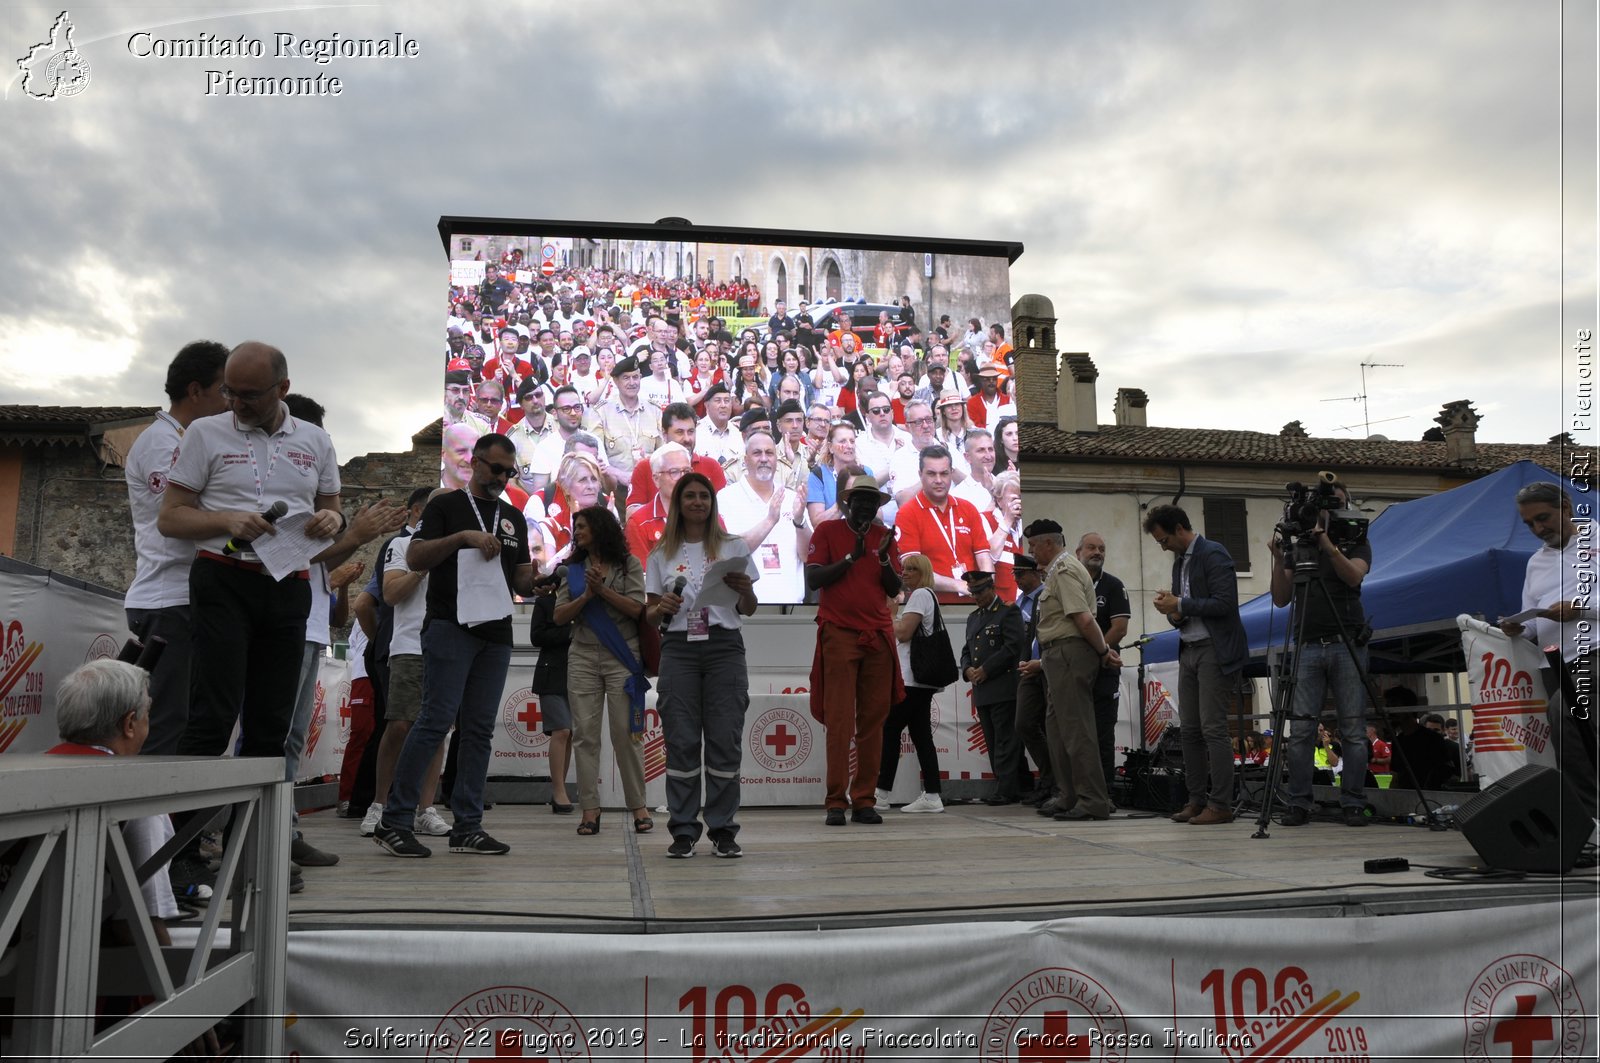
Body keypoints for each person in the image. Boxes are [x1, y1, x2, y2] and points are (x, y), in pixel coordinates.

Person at [159, 342, 383, 890]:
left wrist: (332, 522)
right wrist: (228, 519)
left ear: (282, 389)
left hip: (287, 584)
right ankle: (181, 855)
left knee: (270, 727)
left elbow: (332, 507)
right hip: (221, 581)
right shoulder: (206, 433)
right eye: (231, 391)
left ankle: (255, 855)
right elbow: (170, 518)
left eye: (250, 394)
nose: (236, 402)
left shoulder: (316, 440)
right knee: (211, 718)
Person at [374, 434, 536, 858]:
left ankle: (468, 826)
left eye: (508, 471)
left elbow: (519, 580)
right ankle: (394, 819)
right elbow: (416, 558)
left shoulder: (514, 517)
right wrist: (462, 537)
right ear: (475, 464)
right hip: (451, 625)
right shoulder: (445, 506)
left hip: (497, 631)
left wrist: (541, 578)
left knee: (479, 729)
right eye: (495, 468)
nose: (501, 477)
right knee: (434, 721)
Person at [645, 474, 760, 858]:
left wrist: (745, 591)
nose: (697, 502)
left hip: (725, 649)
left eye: (703, 496)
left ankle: (723, 830)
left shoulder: (734, 545)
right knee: (681, 741)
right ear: (678, 503)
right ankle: (682, 830)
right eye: (689, 496)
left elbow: (749, 609)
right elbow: (648, 613)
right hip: (678, 649)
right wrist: (660, 608)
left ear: (712, 503)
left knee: (724, 740)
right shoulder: (661, 552)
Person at [123, 339, 229, 757]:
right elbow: (179, 516)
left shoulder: (189, 439)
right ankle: (142, 823)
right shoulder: (159, 443)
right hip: (166, 600)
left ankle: (168, 823)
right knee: (163, 723)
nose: (229, 401)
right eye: (223, 389)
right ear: (195, 390)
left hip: (188, 597)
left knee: (183, 720)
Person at [1268, 480, 1376, 827]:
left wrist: (1328, 545)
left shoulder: (1357, 541)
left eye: (1339, 503)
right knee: (1301, 730)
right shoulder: (1299, 547)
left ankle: (1353, 802)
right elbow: (1281, 598)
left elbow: (1353, 577)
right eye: (1327, 505)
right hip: (1308, 643)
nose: (1332, 511)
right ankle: (1299, 802)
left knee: (1354, 729)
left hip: (1346, 642)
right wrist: (1277, 557)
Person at [805, 470, 905, 825]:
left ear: (877, 506)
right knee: (839, 721)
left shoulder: (885, 537)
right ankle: (835, 801)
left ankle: (864, 799)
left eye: (871, 501)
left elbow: (894, 589)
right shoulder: (827, 531)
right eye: (859, 500)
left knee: (873, 722)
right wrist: (850, 558)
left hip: (877, 635)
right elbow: (813, 579)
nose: (864, 506)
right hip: (840, 633)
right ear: (848, 504)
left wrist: (879, 558)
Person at [1498, 481, 1600, 820]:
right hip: (1553, 664)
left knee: (1565, 716)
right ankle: (1586, 817)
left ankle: (1587, 817)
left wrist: (1579, 609)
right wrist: (1518, 627)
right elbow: (1532, 618)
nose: (1538, 529)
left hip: (1594, 653)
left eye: (1543, 518)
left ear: (1567, 509)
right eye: (1530, 524)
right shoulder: (1535, 563)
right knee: (1575, 742)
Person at [552, 505, 653, 837]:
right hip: (582, 656)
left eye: (582, 526)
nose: (577, 532)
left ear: (600, 527)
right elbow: (559, 616)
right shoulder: (572, 570)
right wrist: (587, 597)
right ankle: (590, 810)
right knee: (585, 736)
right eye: (575, 527)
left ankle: (639, 807)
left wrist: (603, 591)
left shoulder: (629, 565)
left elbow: (638, 609)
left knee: (626, 733)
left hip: (621, 655)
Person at [360, 487, 454, 840]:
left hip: (446, 647)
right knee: (399, 724)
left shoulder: (457, 550)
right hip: (409, 645)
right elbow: (390, 594)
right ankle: (379, 804)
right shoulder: (401, 546)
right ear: (421, 513)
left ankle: (425, 809)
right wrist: (422, 566)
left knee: (439, 728)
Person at [1145, 504, 1249, 825]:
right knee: (1189, 730)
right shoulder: (1180, 564)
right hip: (1189, 649)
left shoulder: (1213, 554)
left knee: (1213, 728)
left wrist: (1181, 604)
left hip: (1213, 650)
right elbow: (1186, 611)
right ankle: (1196, 800)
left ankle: (1220, 804)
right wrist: (1174, 613)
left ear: (1179, 529)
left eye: (1164, 540)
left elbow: (1225, 603)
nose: (1163, 547)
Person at [1027, 520, 1119, 822]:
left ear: (1049, 544)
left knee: (1077, 730)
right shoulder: (1057, 570)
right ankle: (1068, 794)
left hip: (1069, 652)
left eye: (1033, 544)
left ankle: (1092, 799)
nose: (1030, 549)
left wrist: (1103, 651)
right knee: (1058, 730)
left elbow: (1082, 618)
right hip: (1058, 654)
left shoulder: (1065, 570)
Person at [878, 555, 946, 813]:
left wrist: (890, 614)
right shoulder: (929, 596)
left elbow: (904, 632)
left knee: (891, 730)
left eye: (912, 569)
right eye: (904, 569)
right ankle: (932, 794)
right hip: (922, 681)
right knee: (920, 736)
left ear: (924, 572)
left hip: (912, 679)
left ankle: (881, 793)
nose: (905, 573)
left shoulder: (920, 596)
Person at [718, 429, 810, 604]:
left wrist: (800, 521)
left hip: (791, 608)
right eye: (756, 453)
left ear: (777, 459)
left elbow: (807, 556)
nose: (764, 458)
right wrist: (770, 520)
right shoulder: (725, 498)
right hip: (744, 609)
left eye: (769, 453)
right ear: (745, 460)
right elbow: (730, 553)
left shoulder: (792, 498)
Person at [960, 568, 1025, 805]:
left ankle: (1006, 789)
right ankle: (1019, 785)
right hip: (982, 689)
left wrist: (986, 669)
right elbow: (967, 650)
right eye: (973, 592)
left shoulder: (1008, 612)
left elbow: (1013, 647)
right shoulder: (973, 617)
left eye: (980, 591)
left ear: (991, 587)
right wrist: (968, 670)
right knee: (992, 739)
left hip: (1003, 686)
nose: (977, 596)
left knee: (1005, 741)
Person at [893, 445, 991, 599]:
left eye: (944, 473)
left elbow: (983, 556)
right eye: (931, 474)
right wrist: (958, 584)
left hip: (974, 602)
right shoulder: (907, 513)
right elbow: (913, 569)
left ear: (951, 473)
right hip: (932, 606)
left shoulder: (968, 508)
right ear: (920, 475)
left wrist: (985, 584)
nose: (939, 480)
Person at [1076, 532, 1131, 795]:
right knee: (1075, 732)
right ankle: (1076, 789)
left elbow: (1120, 628)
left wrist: (1099, 653)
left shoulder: (1113, 586)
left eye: (1102, 548)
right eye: (1091, 547)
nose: (1097, 552)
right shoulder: (1070, 582)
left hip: (1104, 669)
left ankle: (1105, 791)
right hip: (1073, 670)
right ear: (1078, 552)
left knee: (1102, 732)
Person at [528, 581, 575, 814]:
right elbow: (537, 636)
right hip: (551, 673)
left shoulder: (583, 604)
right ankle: (558, 791)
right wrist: (570, 631)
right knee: (561, 730)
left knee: (570, 734)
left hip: (578, 674)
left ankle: (561, 789)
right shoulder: (545, 602)